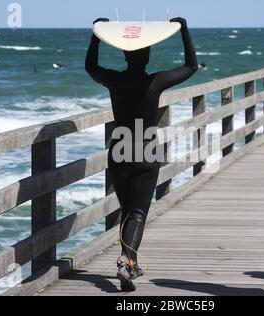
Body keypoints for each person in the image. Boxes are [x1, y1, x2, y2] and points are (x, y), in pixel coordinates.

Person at [85, 17, 197, 292]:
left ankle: (130, 263)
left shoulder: (113, 80)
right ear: (147, 56)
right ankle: (126, 260)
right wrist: (184, 31)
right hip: (145, 149)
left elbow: (90, 66)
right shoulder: (155, 81)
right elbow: (191, 66)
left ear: (125, 54)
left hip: (120, 149)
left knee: (128, 211)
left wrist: (97, 34)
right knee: (137, 212)